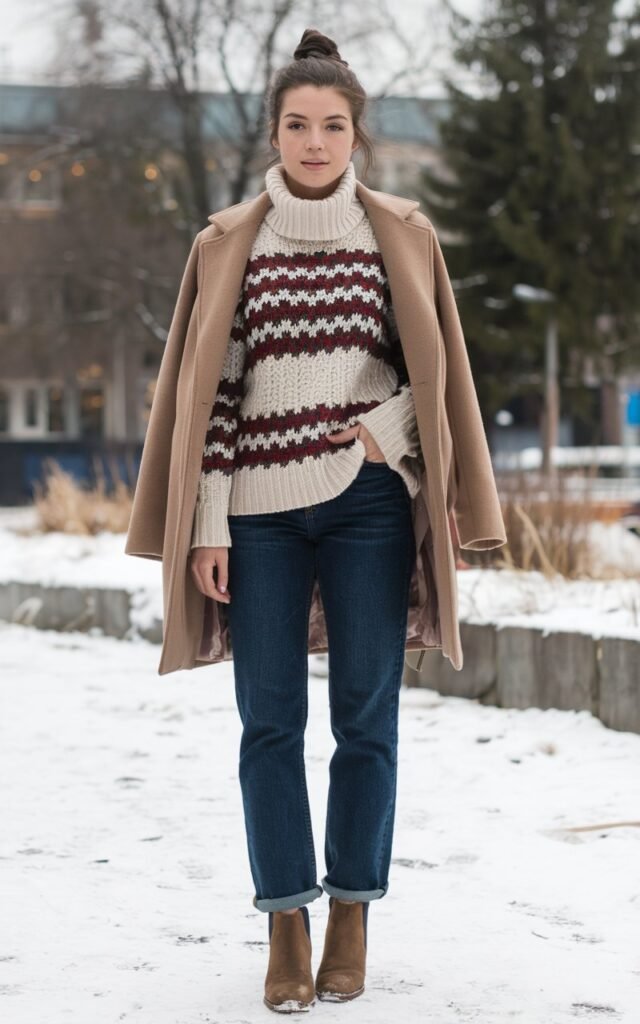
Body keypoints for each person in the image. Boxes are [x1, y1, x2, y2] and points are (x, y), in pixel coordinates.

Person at [187, 26, 422, 1014]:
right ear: (275, 133)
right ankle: (286, 916)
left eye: (333, 124)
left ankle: (352, 911)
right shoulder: (231, 238)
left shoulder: (398, 232)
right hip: (258, 514)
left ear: (356, 134)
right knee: (267, 723)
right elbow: (218, 391)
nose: (314, 140)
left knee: (365, 720)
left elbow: (434, 372)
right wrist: (207, 520)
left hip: (369, 503)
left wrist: (380, 432)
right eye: (297, 124)